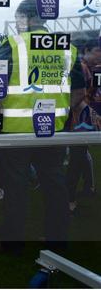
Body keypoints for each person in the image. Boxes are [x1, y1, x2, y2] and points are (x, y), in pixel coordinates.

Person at [0, 0, 86, 253]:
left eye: (20, 17)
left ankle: (13, 244)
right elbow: (79, 91)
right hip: (53, 130)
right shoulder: (66, 48)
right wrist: (62, 113)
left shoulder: (12, 44)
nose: (18, 23)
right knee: (55, 184)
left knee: (16, 188)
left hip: (15, 130)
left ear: (27, 18)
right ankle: (57, 240)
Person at [65, 32, 100, 214]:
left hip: (79, 120)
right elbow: (79, 96)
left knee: (81, 158)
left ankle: (86, 189)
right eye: (97, 51)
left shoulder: (89, 68)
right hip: (76, 122)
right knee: (76, 160)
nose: (100, 54)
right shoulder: (81, 67)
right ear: (85, 51)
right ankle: (69, 200)